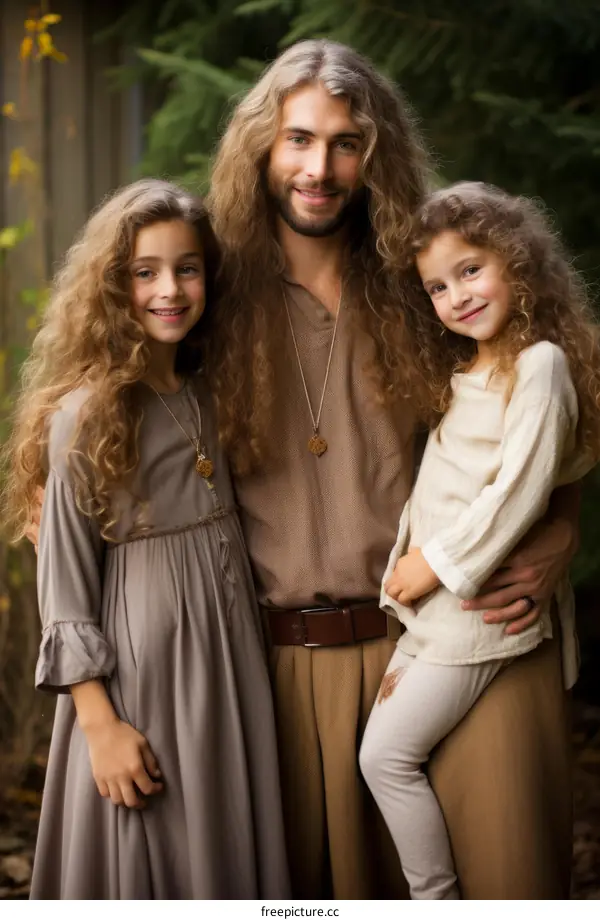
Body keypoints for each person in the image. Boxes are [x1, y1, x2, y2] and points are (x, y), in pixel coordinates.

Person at [204, 41, 581, 899]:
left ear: (377, 155)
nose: (319, 168)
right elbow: (107, 389)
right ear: (262, 146)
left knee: (507, 890)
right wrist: (49, 482)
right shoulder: (209, 294)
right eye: (298, 139)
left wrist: (563, 526)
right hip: (276, 667)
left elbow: (541, 411)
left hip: (449, 636)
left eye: (348, 142)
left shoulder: (428, 281)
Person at [1, 179, 290, 899]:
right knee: (151, 858)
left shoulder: (211, 391)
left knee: (222, 851)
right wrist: (100, 726)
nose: (169, 288)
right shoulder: (87, 416)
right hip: (140, 687)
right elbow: (65, 591)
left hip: (228, 665)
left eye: (186, 268)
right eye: (145, 271)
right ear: (112, 285)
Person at [358, 181, 600, 899]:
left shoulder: (540, 366)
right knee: (387, 756)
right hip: (432, 614)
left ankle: (437, 899)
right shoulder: (469, 372)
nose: (457, 295)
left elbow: (518, 492)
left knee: (385, 759)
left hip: (473, 612)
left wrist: (434, 563)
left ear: (517, 263)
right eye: (437, 286)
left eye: (471, 270)